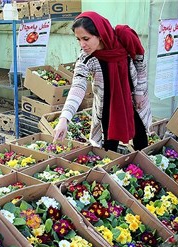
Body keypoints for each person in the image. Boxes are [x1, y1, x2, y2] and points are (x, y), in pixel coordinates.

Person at [53, 11, 152, 152]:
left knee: (140, 136)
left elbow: (140, 63)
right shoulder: (87, 58)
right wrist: (64, 118)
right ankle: (113, 172)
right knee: (108, 144)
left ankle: (143, 166)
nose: (82, 44)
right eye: (78, 39)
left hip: (131, 98)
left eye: (86, 38)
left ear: (99, 34)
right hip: (106, 105)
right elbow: (78, 86)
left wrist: (139, 92)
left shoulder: (123, 37)